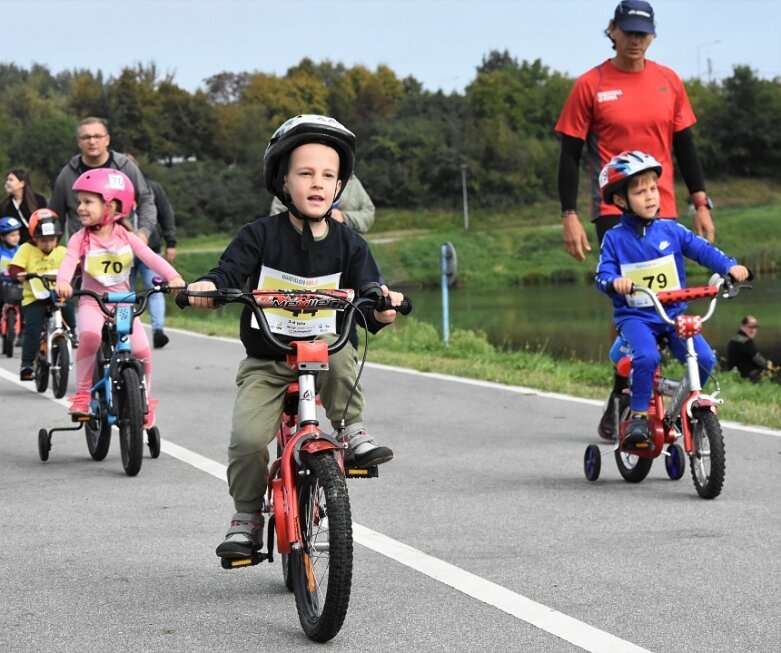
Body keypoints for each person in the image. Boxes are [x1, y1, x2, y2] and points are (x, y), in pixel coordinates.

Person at [184, 114, 404, 560]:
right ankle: (246, 516)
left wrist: (382, 305)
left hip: (326, 350)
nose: (317, 183)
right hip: (268, 360)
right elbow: (228, 271)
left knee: (343, 356)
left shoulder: (350, 244)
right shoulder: (259, 236)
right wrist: (209, 286)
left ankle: (350, 430)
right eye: (305, 173)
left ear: (340, 185)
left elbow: (368, 290)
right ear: (284, 182)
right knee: (247, 441)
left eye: (328, 175)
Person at [555, 0, 716, 440]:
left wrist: (701, 203)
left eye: (642, 33)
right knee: (630, 299)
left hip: (663, 207)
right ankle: (624, 391)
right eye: (627, 31)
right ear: (612, 31)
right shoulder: (591, 84)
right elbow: (569, 155)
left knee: (670, 298)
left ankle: (673, 392)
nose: (635, 40)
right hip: (614, 209)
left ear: (653, 35)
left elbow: (686, 147)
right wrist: (568, 214)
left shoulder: (668, 81)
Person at [594, 151, 748, 450]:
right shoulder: (614, 239)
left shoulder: (672, 230)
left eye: (653, 188)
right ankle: (638, 416)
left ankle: (682, 410)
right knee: (648, 358)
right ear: (621, 201)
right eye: (640, 192)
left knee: (704, 358)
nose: (650, 196)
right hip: (636, 317)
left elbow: (704, 251)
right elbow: (602, 275)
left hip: (673, 314)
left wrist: (729, 267)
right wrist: (615, 282)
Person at [55, 169, 185, 427]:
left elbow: (150, 258)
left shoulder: (126, 237)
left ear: (112, 205)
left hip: (123, 303)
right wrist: (62, 283)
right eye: (79, 201)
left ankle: (145, 401)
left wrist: (174, 277)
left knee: (142, 351)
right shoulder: (81, 238)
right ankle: (82, 394)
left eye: (87, 202)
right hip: (92, 301)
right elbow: (69, 261)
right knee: (90, 336)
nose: (80, 208)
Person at [49, 117, 157, 242]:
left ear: (107, 140)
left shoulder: (125, 167)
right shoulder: (67, 174)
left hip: (122, 249)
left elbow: (146, 201)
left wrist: (144, 232)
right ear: (79, 142)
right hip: (83, 252)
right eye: (86, 137)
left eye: (97, 136)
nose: (92, 141)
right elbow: (55, 215)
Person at [7, 210, 77, 381]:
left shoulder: (61, 251)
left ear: (57, 238)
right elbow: (14, 268)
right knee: (33, 329)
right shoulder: (27, 249)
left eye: (51, 240)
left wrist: (78, 271)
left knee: (68, 307)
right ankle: (27, 364)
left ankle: (73, 334)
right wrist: (19, 274)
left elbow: (76, 265)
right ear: (34, 238)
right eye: (43, 240)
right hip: (35, 298)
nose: (47, 244)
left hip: (58, 294)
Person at [126, 156, 178, 349]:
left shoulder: (153, 189)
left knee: (156, 290)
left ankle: (158, 330)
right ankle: (125, 330)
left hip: (150, 249)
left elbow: (166, 215)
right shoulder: (113, 193)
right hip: (123, 255)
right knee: (125, 293)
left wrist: (171, 242)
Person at [269, 172, 375, 233]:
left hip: (347, 247)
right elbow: (276, 215)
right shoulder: (293, 180)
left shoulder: (352, 182)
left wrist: (344, 217)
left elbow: (369, 212)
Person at [0, 169, 48, 245]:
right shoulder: (4, 205)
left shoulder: (39, 200)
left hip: (36, 245)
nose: (7, 183)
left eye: (11, 180)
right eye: (7, 180)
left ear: (22, 183)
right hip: (14, 250)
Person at [724, 316, 774, 383]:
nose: (753, 330)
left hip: (734, 374)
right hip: (747, 376)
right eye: (750, 327)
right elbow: (758, 360)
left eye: (755, 327)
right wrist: (767, 363)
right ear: (742, 326)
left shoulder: (734, 339)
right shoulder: (745, 342)